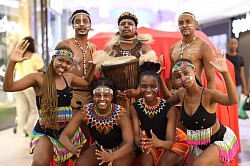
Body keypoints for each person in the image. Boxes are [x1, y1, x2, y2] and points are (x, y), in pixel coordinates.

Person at [3, 40, 98, 165]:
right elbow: (8, 87)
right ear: (53, 58)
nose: (64, 65)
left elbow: (86, 82)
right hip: (46, 131)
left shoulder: (68, 77)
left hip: (66, 132)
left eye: (68, 63)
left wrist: (94, 65)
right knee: (39, 163)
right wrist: (12, 62)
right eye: (60, 60)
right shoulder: (37, 78)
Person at [162, 50, 239, 165]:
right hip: (199, 146)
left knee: (198, 164)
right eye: (178, 76)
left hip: (219, 141)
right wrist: (159, 78)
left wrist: (225, 73)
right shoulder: (181, 93)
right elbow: (167, 101)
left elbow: (232, 100)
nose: (183, 78)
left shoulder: (208, 95)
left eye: (186, 73)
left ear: (194, 71)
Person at [59, 77, 135, 166]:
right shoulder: (85, 112)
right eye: (98, 95)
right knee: (80, 164)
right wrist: (73, 149)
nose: (102, 99)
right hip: (100, 147)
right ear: (93, 96)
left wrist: (111, 156)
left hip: (121, 150)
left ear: (111, 97)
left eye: (106, 95)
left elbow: (129, 144)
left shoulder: (120, 114)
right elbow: (63, 136)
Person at [130, 62, 190, 166]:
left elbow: (169, 143)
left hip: (174, 142)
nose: (148, 90)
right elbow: (136, 136)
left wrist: (158, 143)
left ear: (158, 87)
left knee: (163, 164)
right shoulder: (135, 107)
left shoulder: (169, 108)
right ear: (140, 86)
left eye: (153, 86)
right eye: (144, 86)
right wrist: (139, 141)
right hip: (151, 142)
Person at [100, 11, 158, 111]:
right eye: (123, 24)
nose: (126, 26)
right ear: (118, 28)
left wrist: (138, 90)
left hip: (139, 96)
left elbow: (150, 73)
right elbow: (102, 73)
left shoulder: (144, 47)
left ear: (135, 28)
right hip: (115, 97)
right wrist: (112, 90)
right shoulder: (110, 48)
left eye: (130, 24)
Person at [56, 9, 97, 112]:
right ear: (73, 25)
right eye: (78, 21)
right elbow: (54, 69)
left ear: (90, 25)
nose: (82, 24)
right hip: (69, 94)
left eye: (85, 21)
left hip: (89, 96)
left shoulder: (93, 48)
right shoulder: (65, 45)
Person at [169, 12, 215, 90]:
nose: (184, 25)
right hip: (177, 97)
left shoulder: (204, 47)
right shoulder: (173, 48)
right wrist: (170, 96)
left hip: (196, 96)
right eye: (181, 23)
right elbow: (171, 77)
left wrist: (211, 101)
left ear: (196, 23)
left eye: (188, 22)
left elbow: (211, 79)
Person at [13, 36, 44, 136]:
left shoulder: (20, 56)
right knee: (33, 109)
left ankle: (21, 130)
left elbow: (14, 70)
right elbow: (41, 70)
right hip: (30, 86)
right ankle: (28, 128)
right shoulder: (34, 56)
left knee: (22, 109)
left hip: (18, 84)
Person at [226, 38, 248, 108]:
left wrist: (244, 87)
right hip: (226, 83)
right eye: (232, 43)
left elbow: (242, 73)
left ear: (237, 45)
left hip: (237, 84)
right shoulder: (225, 57)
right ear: (228, 44)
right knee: (227, 103)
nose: (233, 45)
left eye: (235, 43)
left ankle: (235, 118)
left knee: (237, 103)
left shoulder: (240, 58)